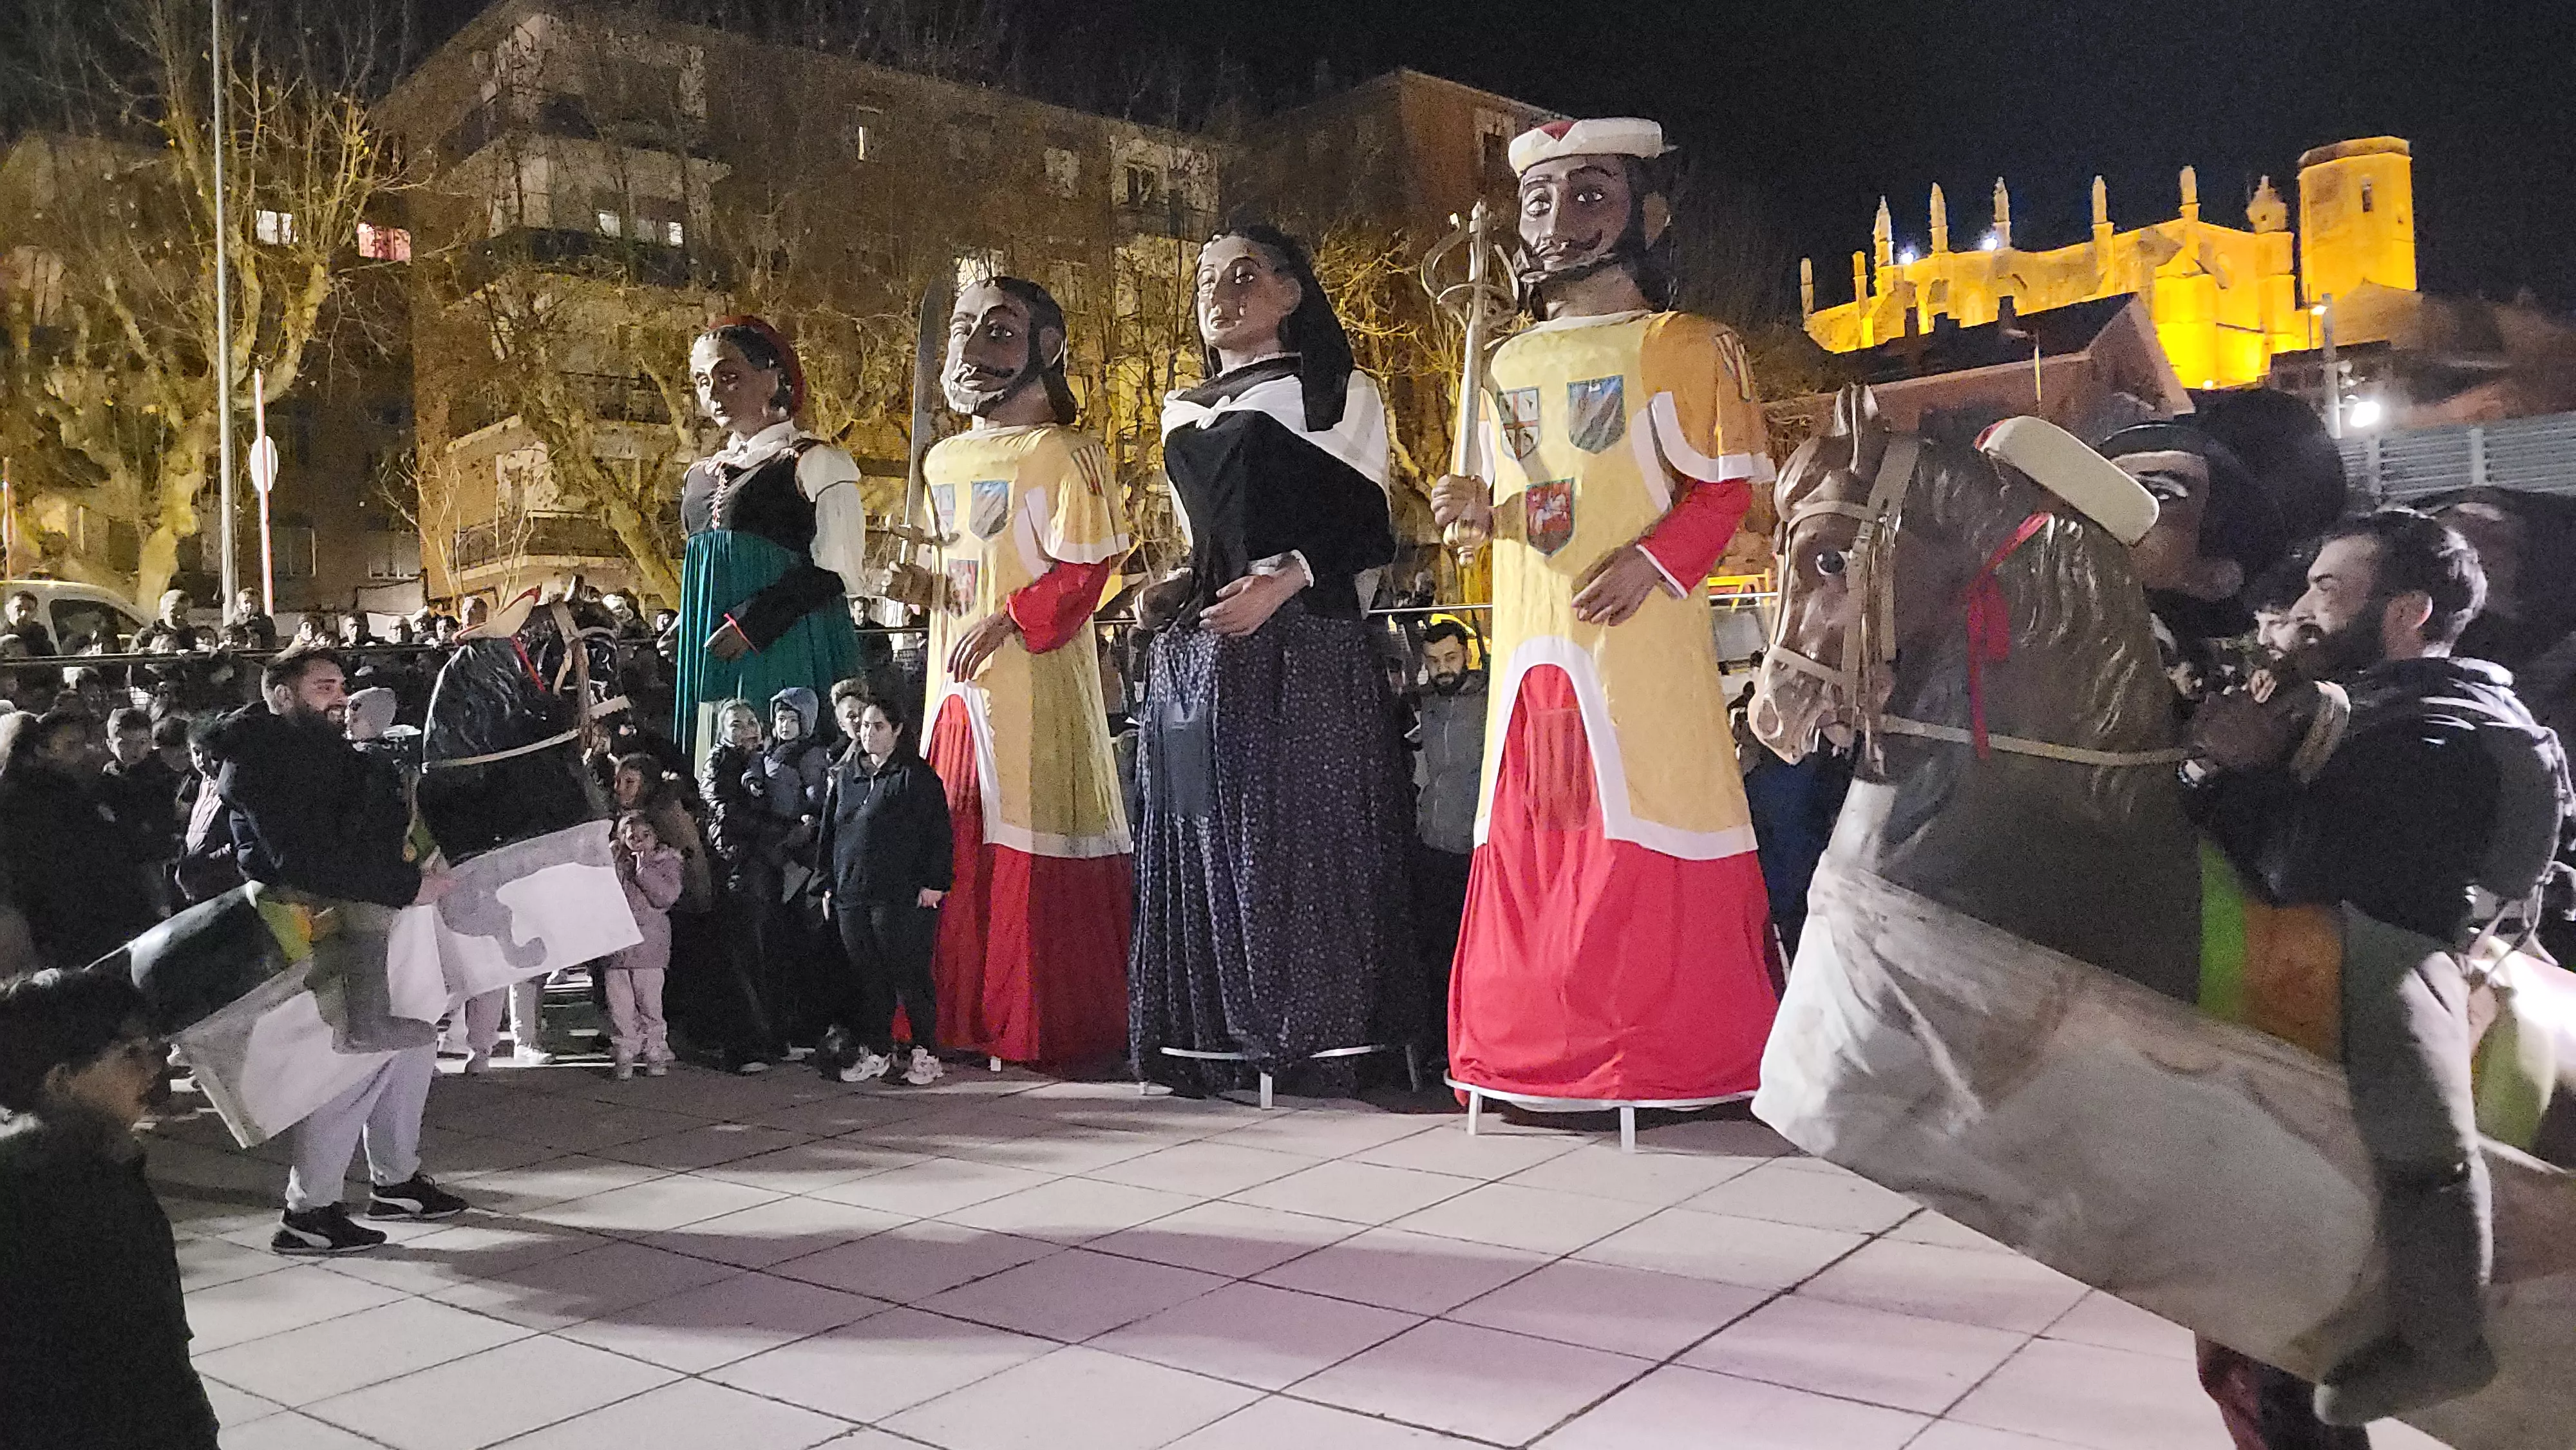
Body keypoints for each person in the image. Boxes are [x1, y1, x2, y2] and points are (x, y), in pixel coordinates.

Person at [2190, 509, 2573, 1431]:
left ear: (2406, 612)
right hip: (2315, 973)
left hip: (2410, 949)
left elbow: (2313, 873)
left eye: (2331, 590)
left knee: (2416, 1124)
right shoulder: (2359, 706)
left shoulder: (2445, 721)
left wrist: (2246, 772)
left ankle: (2443, 1339)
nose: (2305, 609)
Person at [1430, 117, 1777, 1110]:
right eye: (1540, 200)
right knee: (1533, 816)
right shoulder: (1499, 363)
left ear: (1649, 214)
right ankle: (1528, 1043)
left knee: (1648, 797)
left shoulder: (1692, 346)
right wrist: (1475, 515)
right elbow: (1538, 509)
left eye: (1590, 195)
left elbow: (1726, 494)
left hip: (1639, 638)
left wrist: (1655, 565)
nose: (1557, 220)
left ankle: (1663, 1051)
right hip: (1535, 640)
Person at [1128, 223, 1417, 1096]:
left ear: (1292, 293)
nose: (1217, 292)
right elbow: (1202, 539)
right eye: (1207, 278)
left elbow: (1370, 530)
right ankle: (1218, 1024)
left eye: (1242, 275)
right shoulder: (1183, 406)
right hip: (1207, 654)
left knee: (1297, 830)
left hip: (1304, 643)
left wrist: (1284, 581)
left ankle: (1310, 1027)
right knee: (1204, 828)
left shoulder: (1335, 393)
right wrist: (1171, 588)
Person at [920, 276, 1135, 1068]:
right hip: (950, 681)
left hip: (1031, 678)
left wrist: (1011, 617)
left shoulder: (1067, 453)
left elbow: (1088, 570)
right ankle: (953, 1010)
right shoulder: (941, 457)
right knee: (950, 832)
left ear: (1047, 348)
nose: (973, 350)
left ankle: (1033, 1018)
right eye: (962, 330)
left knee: (1025, 822)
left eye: (998, 332)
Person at [202, 646, 467, 1254]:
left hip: (371, 913)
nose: (339, 697)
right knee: (354, 1061)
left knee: (412, 1043)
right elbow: (305, 860)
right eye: (323, 687)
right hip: (319, 927)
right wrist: (405, 883)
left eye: (341, 685)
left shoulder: (317, 751)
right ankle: (310, 1210)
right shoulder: (264, 761)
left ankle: (395, 1179)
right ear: (282, 695)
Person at [0, 968, 220, 1450]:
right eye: (129, 1055)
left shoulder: (92, 1162)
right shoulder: (74, 1191)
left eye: (153, 1049)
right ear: (61, 1080)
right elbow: (138, 1348)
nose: (153, 1070)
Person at [672, 315, 870, 756]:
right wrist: (688, 621)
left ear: (771, 379)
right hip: (714, 647)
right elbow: (704, 564)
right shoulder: (699, 477)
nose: (713, 393)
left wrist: (754, 623)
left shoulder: (814, 462)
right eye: (703, 381)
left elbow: (839, 569)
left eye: (729, 377)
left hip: (788, 642)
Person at [818, 683, 952, 1085]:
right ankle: (877, 1049)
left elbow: (938, 834)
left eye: (878, 726)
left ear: (896, 731)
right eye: (863, 725)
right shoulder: (847, 778)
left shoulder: (916, 777)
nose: (868, 733)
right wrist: (826, 883)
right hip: (851, 894)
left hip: (900, 897)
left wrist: (935, 882)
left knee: (909, 974)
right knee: (868, 976)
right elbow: (832, 832)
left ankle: (926, 1052)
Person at [0, 709, 160, 968]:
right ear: (42, 751)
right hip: (77, 920)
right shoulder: (48, 798)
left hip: (69, 921)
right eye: (70, 746)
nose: (84, 752)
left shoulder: (74, 789)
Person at [1408, 618, 1486, 1066]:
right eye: (1435, 661)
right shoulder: (1424, 704)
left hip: (1475, 847)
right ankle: (1441, 1049)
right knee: (1437, 951)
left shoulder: (1490, 699)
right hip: (1432, 843)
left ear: (1467, 655)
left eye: (1451, 659)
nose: (1443, 669)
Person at [700, 697, 788, 1072]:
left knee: (767, 954)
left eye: (751, 721)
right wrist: (782, 832)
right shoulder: (721, 763)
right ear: (723, 731)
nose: (747, 729)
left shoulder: (765, 760)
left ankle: (770, 1036)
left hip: (764, 867)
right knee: (743, 958)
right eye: (736, 725)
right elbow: (726, 813)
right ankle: (746, 1045)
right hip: (739, 868)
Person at [601, 810, 684, 1080]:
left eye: (646, 835)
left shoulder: (666, 863)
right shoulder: (614, 864)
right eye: (632, 836)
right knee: (621, 1004)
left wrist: (643, 870)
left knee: (650, 1002)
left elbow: (665, 896)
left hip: (649, 947)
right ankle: (626, 1049)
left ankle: (655, 1049)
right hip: (617, 946)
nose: (639, 841)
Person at [100, 705, 185, 913]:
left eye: (142, 742)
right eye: (125, 744)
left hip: (161, 856)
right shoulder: (108, 778)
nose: (135, 750)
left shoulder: (163, 775)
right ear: (110, 745)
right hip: (127, 860)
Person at [222, 588, 279, 652]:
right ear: (240, 605)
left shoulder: (266, 622)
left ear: (258, 604)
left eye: (253, 602)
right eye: (246, 602)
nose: (250, 605)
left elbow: (270, 643)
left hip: (262, 656)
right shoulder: (233, 624)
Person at [3, 590, 55, 657]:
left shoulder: (40, 637)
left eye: (29, 609)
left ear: (34, 614)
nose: (24, 614)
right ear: (8, 609)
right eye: (19, 608)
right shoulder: (2, 636)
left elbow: (53, 663)